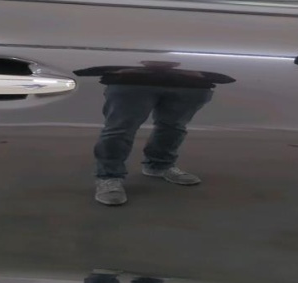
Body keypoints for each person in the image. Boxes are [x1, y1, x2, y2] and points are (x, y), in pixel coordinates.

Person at [74, 61, 235, 206]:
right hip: (132, 79)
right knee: (119, 129)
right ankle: (109, 177)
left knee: (174, 127)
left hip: (191, 82)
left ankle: (159, 166)